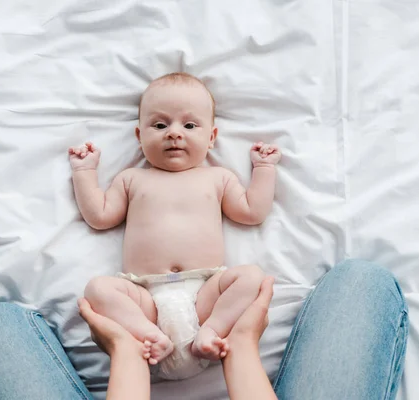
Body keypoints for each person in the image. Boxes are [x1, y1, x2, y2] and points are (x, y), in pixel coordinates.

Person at [67, 72, 281, 379]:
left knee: (251, 277)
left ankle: (212, 330)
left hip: (205, 295)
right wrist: (85, 172)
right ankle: (149, 335)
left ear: (212, 137)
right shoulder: (132, 179)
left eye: (190, 125)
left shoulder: (217, 177)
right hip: (145, 298)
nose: (174, 133)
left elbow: (252, 211)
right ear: (139, 136)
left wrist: (263, 168)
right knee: (97, 289)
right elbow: (100, 216)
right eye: (160, 125)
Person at [0, 259, 409, 399]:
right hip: (194, 324)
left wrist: (126, 349)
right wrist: (240, 343)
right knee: (361, 285)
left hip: (159, 335)